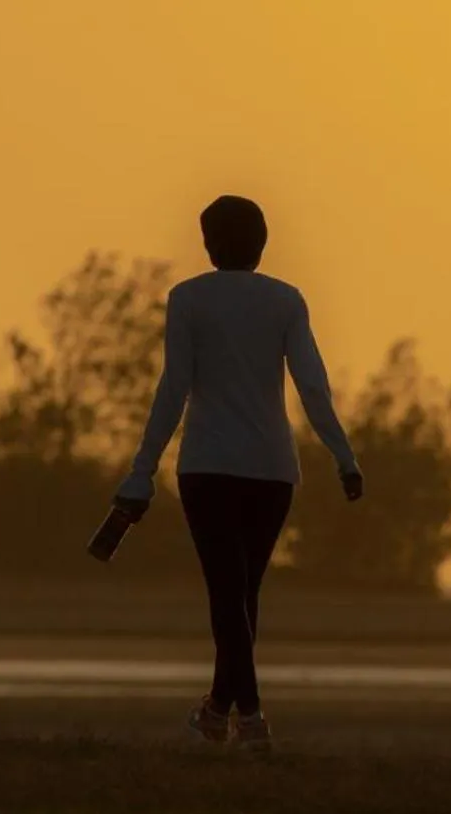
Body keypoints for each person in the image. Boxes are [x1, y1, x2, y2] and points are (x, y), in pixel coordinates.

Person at [113, 195, 364, 751]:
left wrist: (142, 471)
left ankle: (247, 718)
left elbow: (173, 389)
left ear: (211, 243)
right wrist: (343, 456)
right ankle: (217, 710)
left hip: (208, 467)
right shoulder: (286, 301)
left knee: (229, 595)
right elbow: (313, 387)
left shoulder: (188, 300)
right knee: (241, 593)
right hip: (272, 471)